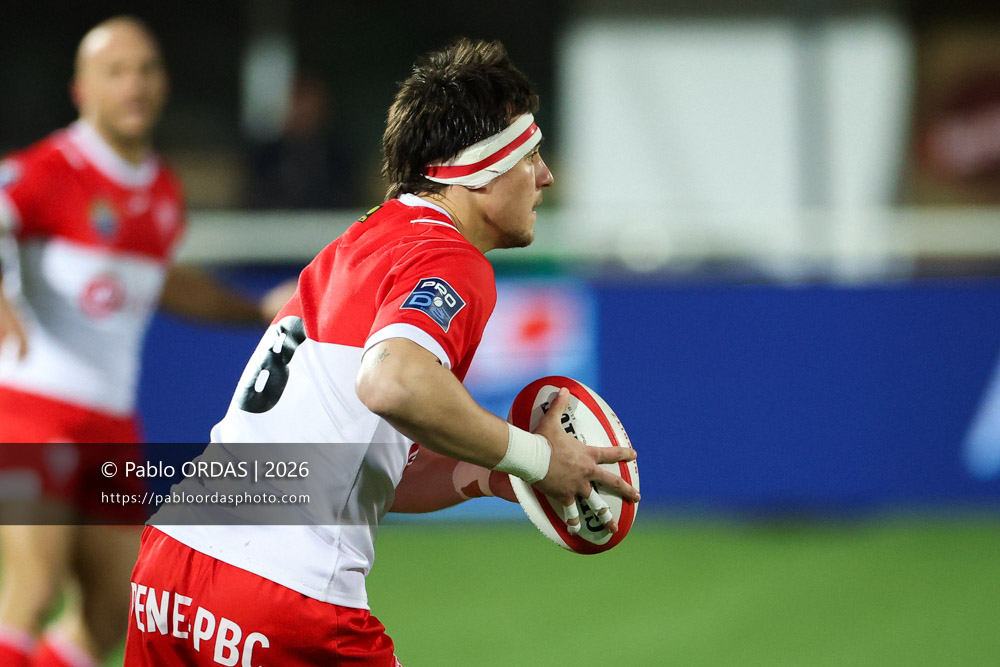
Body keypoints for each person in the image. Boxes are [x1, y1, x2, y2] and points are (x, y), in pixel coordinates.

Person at [124, 38, 640, 666]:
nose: (546, 174)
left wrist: (491, 471)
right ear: (477, 169)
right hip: (282, 593)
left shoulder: (355, 248)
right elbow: (392, 383)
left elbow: (367, 465)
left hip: (173, 567)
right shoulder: (451, 259)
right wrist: (536, 456)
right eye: (529, 154)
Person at [0, 16, 289, 667]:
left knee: (112, 609)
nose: (133, 84)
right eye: (116, 71)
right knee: (33, 585)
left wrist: (256, 310)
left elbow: (163, 283)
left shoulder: (161, 190)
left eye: (146, 70)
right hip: (32, 409)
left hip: (112, 424)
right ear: (81, 89)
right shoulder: (52, 168)